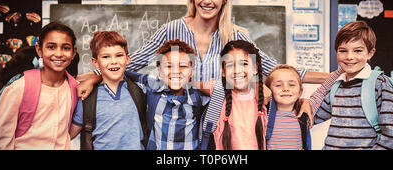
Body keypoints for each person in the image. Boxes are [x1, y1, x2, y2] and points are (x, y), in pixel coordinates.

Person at [76, 0, 336, 122]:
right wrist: (96, 76)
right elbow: (131, 64)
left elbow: (277, 70)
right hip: (178, 117)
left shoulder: (235, 35)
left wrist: (340, 74)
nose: (207, 0)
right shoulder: (171, 29)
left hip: (224, 118)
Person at [313, 21, 393, 150]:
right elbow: (313, 118)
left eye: (358, 50)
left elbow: (392, 135)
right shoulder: (337, 85)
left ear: (370, 53)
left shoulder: (380, 85)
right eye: (343, 50)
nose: (349, 57)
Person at [0, 21, 79, 150]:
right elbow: (2, 142)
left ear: (73, 52)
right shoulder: (19, 88)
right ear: (39, 50)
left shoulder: (73, 87)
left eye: (66, 48)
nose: (59, 54)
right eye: (51, 47)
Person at [124, 39, 210, 150]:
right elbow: (122, 72)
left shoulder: (199, 96)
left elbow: (222, 90)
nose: (175, 71)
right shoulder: (153, 86)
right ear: (159, 71)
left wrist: (202, 86)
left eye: (182, 66)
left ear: (191, 72)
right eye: (169, 66)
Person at [69, 31, 146, 150]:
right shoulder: (87, 98)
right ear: (95, 62)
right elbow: (68, 136)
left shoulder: (140, 91)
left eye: (119, 55)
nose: (113, 61)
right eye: (106, 57)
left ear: (128, 59)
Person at [208, 40, 267, 150]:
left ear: (254, 68)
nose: (237, 70)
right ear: (223, 71)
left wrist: (306, 102)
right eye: (230, 65)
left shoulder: (263, 98)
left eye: (244, 64)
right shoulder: (219, 94)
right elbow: (188, 82)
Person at [265, 65, 310, 150]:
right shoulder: (263, 115)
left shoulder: (304, 114)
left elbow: (323, 90)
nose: (285, 88)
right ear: (268, 91)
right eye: (278, 85)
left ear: (300, 91)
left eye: (291, 85)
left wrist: (340, 72)